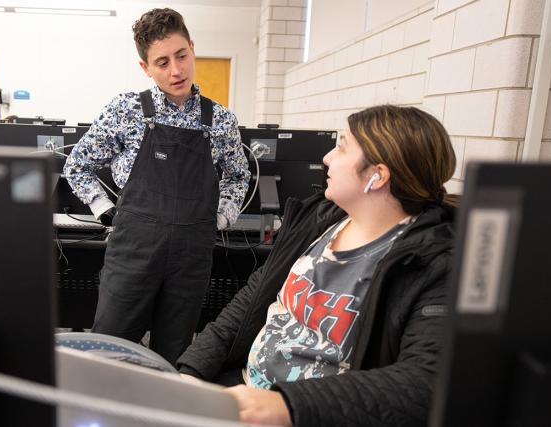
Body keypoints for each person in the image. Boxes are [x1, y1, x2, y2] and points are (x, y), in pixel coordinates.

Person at [177, 105, 458, 426]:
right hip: (244, 393)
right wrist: (192, 370)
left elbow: (425, 382)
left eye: (341, 147)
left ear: (376, 176)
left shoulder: (432, 261)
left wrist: (287, 406)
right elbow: (254, 297)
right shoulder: (321, 219)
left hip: (308, 415)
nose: (327, 158)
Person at [63, 8, 250, 364]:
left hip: (190, 260)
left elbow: (239, 176)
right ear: (145, 67)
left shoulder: (221, 120)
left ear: (193, 48)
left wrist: (223, 216)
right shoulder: (127, 110)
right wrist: (105, 211)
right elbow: (78, 165)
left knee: (174, 355)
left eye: (181, 56)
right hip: (133, 253)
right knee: (110, 351)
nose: (176, 70)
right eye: (162, 62)